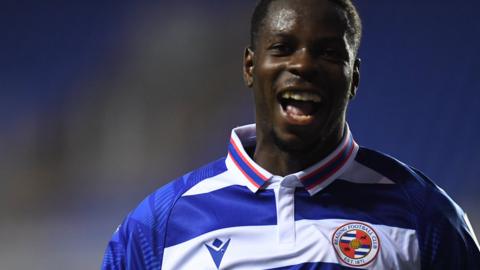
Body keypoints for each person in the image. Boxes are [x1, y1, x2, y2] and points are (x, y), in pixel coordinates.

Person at [102, 0, 480, 269]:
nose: (302, 64)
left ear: (355, 79)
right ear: (250, 67)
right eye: (283, 48)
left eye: (329, 53)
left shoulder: (427, 217)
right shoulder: (157, 228)